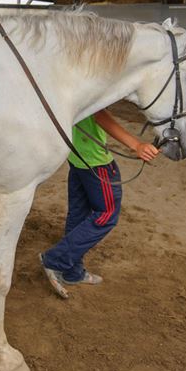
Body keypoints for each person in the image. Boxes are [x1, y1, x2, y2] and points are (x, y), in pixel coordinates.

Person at [40, 110, 158, 297]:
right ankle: (56, 259)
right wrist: (136, 145)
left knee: (78, 214)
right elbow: (99, 114)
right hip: (96, 162)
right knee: (107, 214)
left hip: (77, 156)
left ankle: (72, 272)